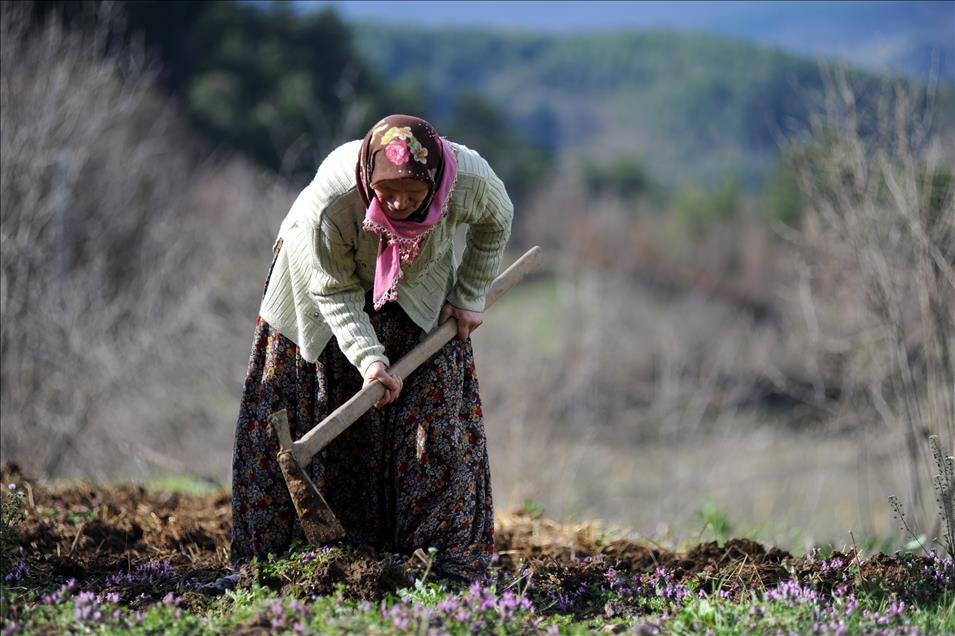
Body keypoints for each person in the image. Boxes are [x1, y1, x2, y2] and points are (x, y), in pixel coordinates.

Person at [218, 114, 513, 589]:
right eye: (387, 194)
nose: (398, 204)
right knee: (313, 398)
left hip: (420, 285)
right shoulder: (332, 203)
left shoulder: (469, 180)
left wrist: (468, 294)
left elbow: (498, 220)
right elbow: (332, 291)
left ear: (436, 184)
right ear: (368, 180)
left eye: (414, 197)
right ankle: (273, 563)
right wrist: (370, 359)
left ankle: (442, 566)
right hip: (314, 292)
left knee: (435, 419)